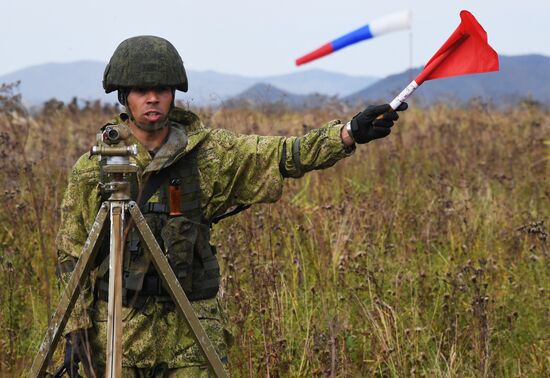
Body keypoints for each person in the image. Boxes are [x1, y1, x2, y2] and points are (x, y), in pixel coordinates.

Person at [55, 35, 407, 377]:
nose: (152, 99)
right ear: (123, 96)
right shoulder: (95, 168)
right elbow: (72, 255)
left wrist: (347, 133)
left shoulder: (210, 154)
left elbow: (284, 155)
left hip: (190, 335)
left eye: (161, 90)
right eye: (141, 91)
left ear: (173, 95)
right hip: (117, 334)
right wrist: (76, 332)